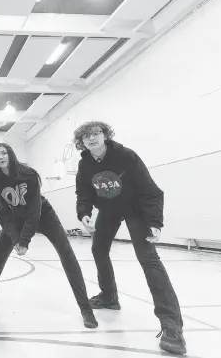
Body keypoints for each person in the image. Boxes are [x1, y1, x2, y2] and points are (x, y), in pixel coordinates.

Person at [74, 121, 186, 354]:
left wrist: (154, 221)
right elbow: (83, 192)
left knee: (148, 259)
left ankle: (171, 325)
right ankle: (109, 297)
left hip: (136, 210)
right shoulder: (85, 164)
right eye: (86, 136)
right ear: (82, 142)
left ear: (105, 135)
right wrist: (84, 213)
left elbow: (150, 190)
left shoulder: (126, 156)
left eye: (96, 133)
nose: (92, 138)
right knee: (98, 249)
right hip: (109, 209)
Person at [0, 143, 98, 328]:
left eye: (4, 152)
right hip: (15, 220)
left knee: (66, 253)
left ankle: (86, 309)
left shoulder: (28, 174)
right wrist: (15, 239)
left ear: (11, 154)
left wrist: (25, 240)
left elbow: (34, 211)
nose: (1, 156)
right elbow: (4, 216)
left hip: (43, 215)